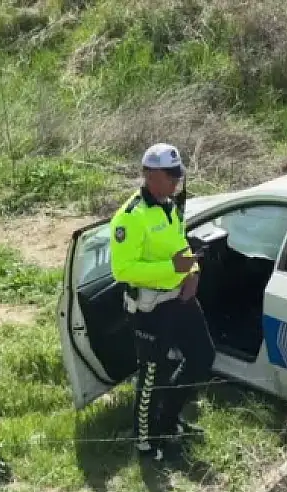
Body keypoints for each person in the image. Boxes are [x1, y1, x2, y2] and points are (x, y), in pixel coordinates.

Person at [110, 143, 215, 461]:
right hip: (151, 308)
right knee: (151, 375)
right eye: (169, 176)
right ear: (149, 175)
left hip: (180, 299)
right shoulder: (131, 218)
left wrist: (192, 272)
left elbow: (178, 245)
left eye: (177, 174)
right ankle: (145, 442)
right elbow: (123, 269)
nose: (175, 181)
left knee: (202, 357)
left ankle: (167, 421)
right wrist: (172, 269)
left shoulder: (170, 205)